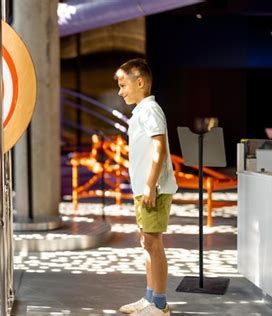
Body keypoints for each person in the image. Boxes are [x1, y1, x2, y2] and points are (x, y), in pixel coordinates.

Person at [114, 58, 178, 316]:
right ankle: (150, 298)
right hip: (143, 188)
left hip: (155, 189)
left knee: (154, 243)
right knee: (147, 243)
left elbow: (159, 148)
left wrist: (151, 185)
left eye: (122, 85)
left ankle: (160, 305)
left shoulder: (151, 110)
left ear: (139, 82)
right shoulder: (140, 111)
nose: (120, 91)